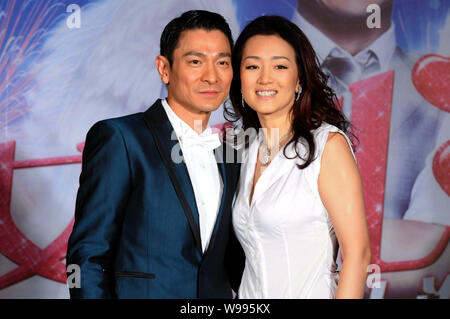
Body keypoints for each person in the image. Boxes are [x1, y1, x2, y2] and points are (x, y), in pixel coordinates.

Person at [66, 10, 244, 299]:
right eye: (196, 62)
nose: (212, 76)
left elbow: (231, 263)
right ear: (164, 68)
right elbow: (87, 255)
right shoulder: (121, 139)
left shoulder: (230, 158)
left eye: (222, 62)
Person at [226, 15, 371, 299]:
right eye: (252, 66)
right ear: (239, 79)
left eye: (280, 66)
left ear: (299, 81)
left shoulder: (327, 146)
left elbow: (358, 255)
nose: (265, 77)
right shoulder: (243, 150)